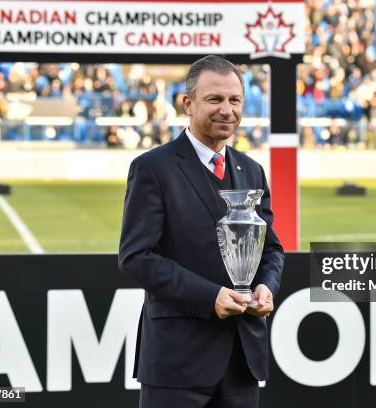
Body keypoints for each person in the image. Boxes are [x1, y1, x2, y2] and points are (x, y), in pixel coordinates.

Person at [118, 55, 284, 408]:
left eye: (234, 100)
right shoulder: (153, 168)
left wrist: (266, 287)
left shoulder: (251, 170)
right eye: (215, 99)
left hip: (242, 360)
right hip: (177, 363)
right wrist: (210, 296)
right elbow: (136, 258)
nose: (227, 110)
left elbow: (271, 250)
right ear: (188, 104)